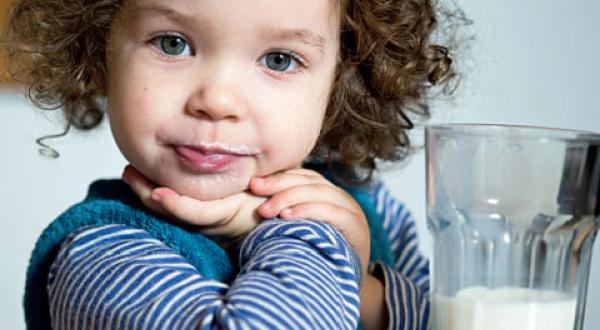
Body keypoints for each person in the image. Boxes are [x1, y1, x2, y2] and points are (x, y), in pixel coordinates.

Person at [5, 0, 458, 329]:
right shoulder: (99, 259)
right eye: (173, 43)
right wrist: (291, 227)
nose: (217, 101)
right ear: (100, 48)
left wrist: (362, 289)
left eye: (279, 59)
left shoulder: (366, 204)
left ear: (341, 78)